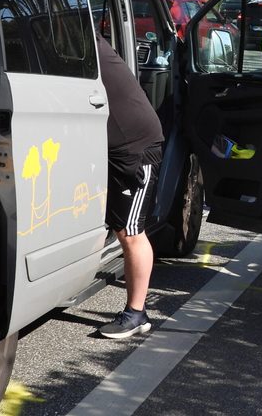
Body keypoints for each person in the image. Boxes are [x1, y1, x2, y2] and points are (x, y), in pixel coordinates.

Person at [95, 33, 165, 339]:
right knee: (121, 227)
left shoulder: (85, 45)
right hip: (118, 149)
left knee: (132, 232)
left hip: (138, 150)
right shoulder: (80, 41)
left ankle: (137, 313)